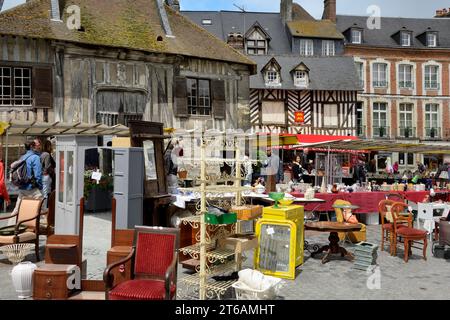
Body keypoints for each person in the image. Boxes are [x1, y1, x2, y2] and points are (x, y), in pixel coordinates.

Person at [11, 140, 43, 215]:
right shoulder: (35, 157)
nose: (36, 147)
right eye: (35, 145)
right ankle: (41, 225)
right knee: (41, 210)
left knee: (17, 209)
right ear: (32, 147)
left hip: (22, 187)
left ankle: (13, 224)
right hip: (33, 188)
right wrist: (40, 186)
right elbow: (38, 174)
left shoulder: (22, 157)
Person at [35, 138, 56, 207]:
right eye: (51, 145)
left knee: (44, 192)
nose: (52, 147)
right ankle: (45, 209)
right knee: (46, 193)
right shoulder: (46, 154)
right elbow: (48, 167)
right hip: (46, 176)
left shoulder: (41, 154)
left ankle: (44, 208)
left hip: (43, 175)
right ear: (48, 146)